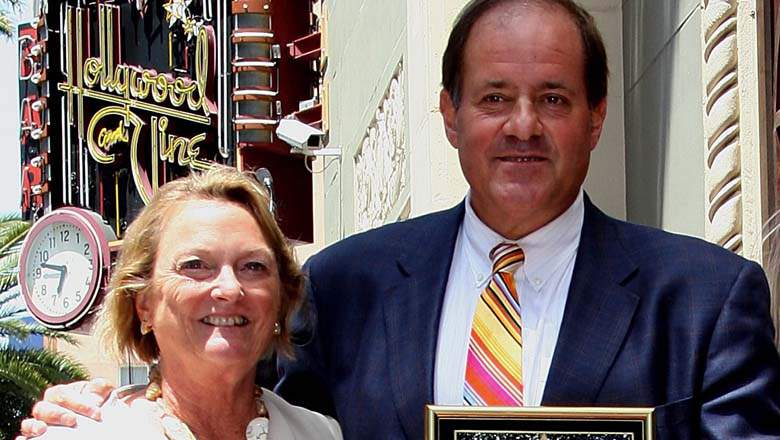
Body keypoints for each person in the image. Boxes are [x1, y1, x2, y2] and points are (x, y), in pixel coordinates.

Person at [19, 0, 780, 439]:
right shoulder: (347, 287)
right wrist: (100, 411)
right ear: (450, 115)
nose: (522, 126)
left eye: (553, 98)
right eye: (494, 98)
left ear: (596, 117)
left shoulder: (706, 299)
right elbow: (230, 404)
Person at [25, 166, 342, 440]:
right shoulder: (82, 433)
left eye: (253, 266)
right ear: (143, 303)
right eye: (195, 265)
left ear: (281, 299)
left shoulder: (320, 434)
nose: (230, 288)